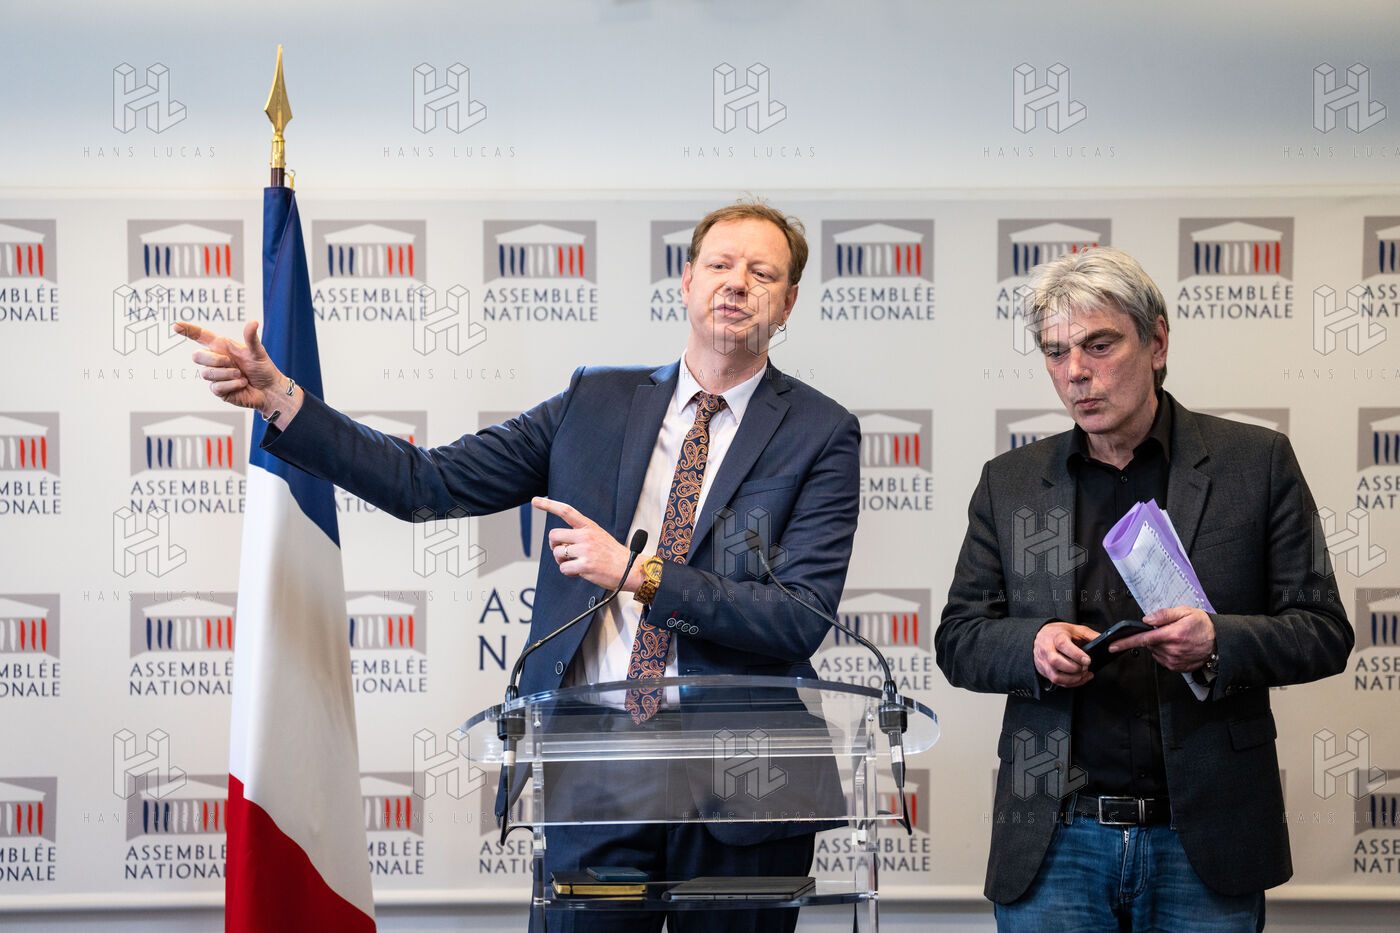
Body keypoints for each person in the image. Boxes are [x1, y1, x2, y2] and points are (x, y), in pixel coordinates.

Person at [178, 200, 860, 933]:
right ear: (687, 279)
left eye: (762, 273)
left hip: (747, 776)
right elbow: (426, 482)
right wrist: (284, 400)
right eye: (720, 265)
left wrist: (642, 574)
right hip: (595, 766)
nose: (737, 284)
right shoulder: (595, 403)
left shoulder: (821, 432)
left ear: (788, 302)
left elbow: (799, 617)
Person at [935, 246, 1352, 932]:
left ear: (1156, 342)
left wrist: (1217, 642)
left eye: (1099, 345)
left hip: (1205, 840)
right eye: (1056, 351)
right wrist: (1033, 646)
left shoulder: (1256, 463)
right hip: (1055, 841)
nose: (1076, 371)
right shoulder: (1010, 482)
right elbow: (959, 639)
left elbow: (1324, 629)